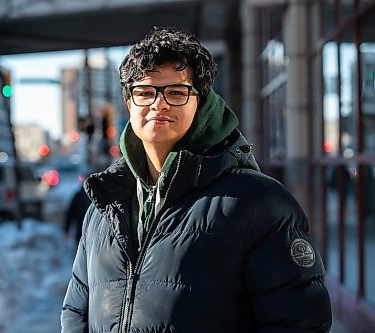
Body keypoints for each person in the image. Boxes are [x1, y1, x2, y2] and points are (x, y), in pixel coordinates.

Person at [61, 27, 332, 332]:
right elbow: (76, 311)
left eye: (176, 92)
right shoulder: (103, 207)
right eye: (145, 92)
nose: (158, 104)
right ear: (129, 103)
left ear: (200, 103)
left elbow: (299, 323)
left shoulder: (259, 204)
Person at [63, 175, 92, 247]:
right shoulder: (78, 196)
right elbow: (70, 213)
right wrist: (66, 229)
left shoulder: (98, 196)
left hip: (95, 232)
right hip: (81, 231)